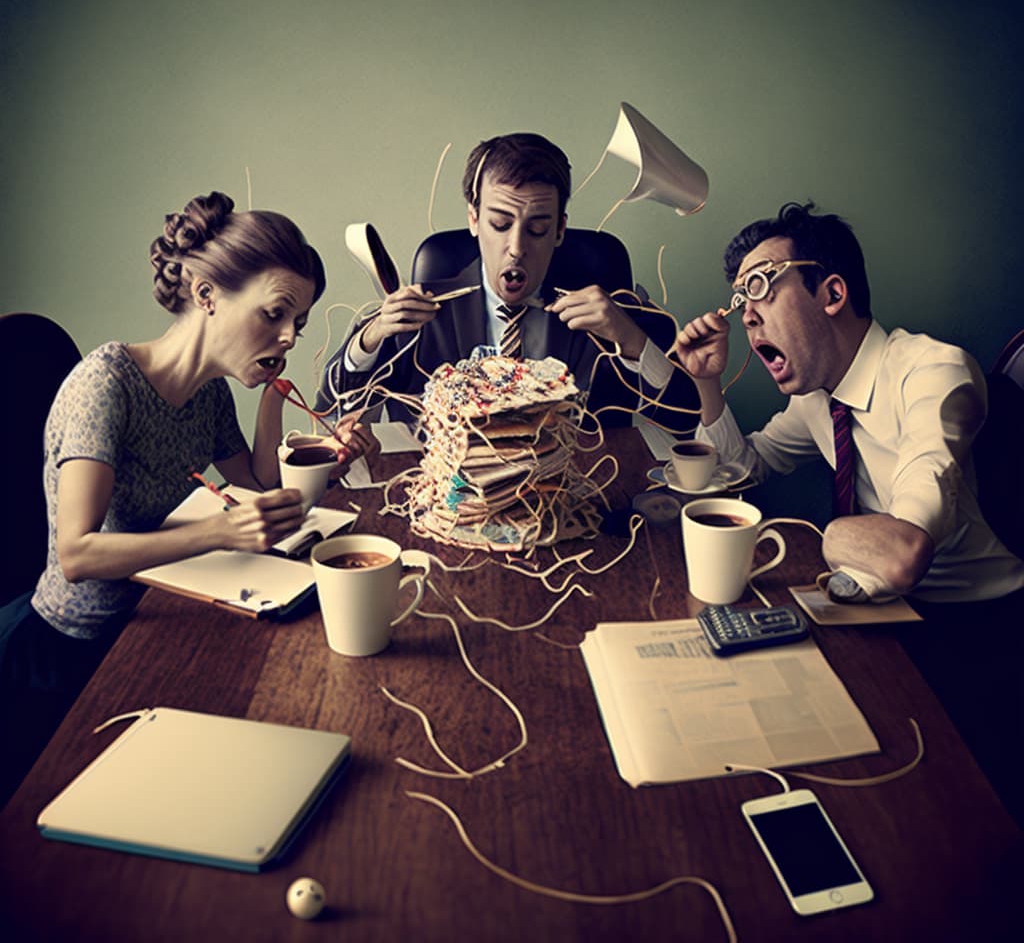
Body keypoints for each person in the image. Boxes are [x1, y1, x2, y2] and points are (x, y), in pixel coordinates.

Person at [0, 191, 373, 806]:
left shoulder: (209, 398)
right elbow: (77, 555)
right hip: (61, 655)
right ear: (207, 296)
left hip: (149, 624)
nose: (288, 337)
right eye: (275, 314)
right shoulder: (107, 383)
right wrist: (221, 533)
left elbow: (259, 490)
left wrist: (307, 433)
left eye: (298, 325)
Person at [673, 201, 1024, 819]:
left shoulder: (933, 373)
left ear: (831, 292)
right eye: (738, 296)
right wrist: (706, 383)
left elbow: (902, 552)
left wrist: (830, 535)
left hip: (980, 633)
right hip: (887, 615)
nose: (744, 313)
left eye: (759, 286)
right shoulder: (818, 396)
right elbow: (743, 470)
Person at [316, 133, 698, 431]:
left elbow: (684, 417)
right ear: (473, 219)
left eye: (537, 229)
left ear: (560, 230)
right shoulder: (424, 312)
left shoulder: (606, 314)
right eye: (500, 225)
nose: (516, 248)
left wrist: (630, 338)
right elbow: (329, 412)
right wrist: (371, 337)